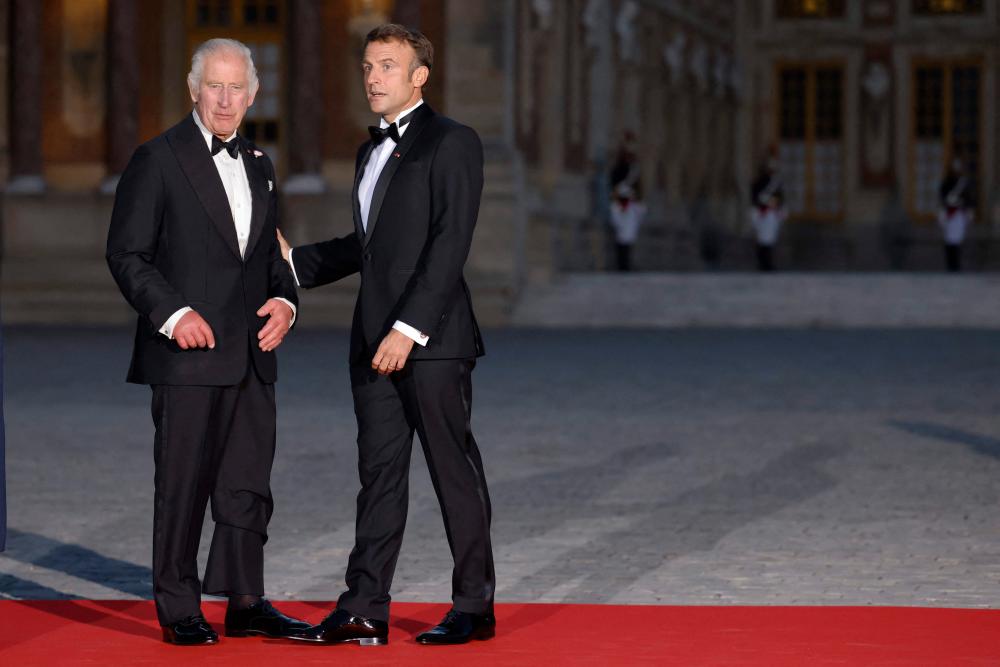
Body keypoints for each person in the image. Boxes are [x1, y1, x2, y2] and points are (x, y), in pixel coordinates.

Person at [278, 24, 495, 647]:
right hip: (372, 342)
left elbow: (449, 243)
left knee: (454, 470)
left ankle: (474, 605)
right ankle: (365, 605)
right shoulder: (367, 151)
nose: (373, 77)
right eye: (368, 66)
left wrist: (409, 328)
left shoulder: (454, 142)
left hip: (433, 340)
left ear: (419, 75)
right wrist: (297, 265)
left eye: (388, 66)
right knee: (379, 475)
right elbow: (369, 248)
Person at [106, 38, 306, 646]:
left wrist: (288, 302)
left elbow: (271, 258)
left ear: (253, 94)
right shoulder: (157, 158)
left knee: (248, 484)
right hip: (187, 356)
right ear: (193, 90)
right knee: (183, 484)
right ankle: (179, 606)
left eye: (236, 87)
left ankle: (246, 601)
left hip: (253, 355)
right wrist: (173, 313)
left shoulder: (262, 165)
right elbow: (127, 253)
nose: (225, 99)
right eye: (213, 86)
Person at [938, 157, 975, 272]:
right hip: (949, 213)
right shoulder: (946, 182)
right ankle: (950, 265)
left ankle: (956, 265)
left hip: (959, 214)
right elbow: (943, 197)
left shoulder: (963, 183)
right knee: (949, 239)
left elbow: (968, 198)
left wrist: (967, 209)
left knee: (957, 239)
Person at [749, 157, 786, 271]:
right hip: (762, 213)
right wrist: (765, 203)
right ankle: (762, 263)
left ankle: (768, 263)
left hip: (771, 214)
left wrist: (775, 205)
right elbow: (755, 198)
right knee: (762, 239)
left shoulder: (776, 183)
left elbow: (780, 198)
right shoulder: (758, 183)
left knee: (770, 239)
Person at [609, 183, 646, 271]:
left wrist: (635, 200)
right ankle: (622, 267)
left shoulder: (633, 207)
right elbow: (614, 220)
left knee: (628, 251)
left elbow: (642, 211)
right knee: (621, 252)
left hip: (630, 233)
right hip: (620, 233)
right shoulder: (615, 207)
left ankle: (627, 267)